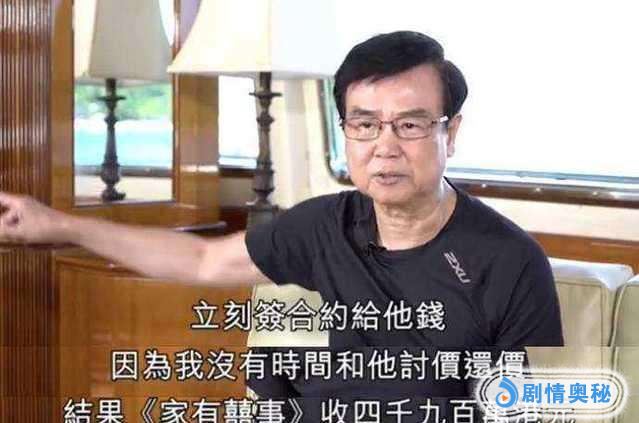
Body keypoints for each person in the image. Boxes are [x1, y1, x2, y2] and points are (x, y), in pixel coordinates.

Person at [0, 31, 562, 416]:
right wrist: (62, 226)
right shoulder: (324, 225)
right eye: (364, 124)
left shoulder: (510, 261)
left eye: (411, 125)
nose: (385, 146)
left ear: (450, 133)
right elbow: (203, 259)